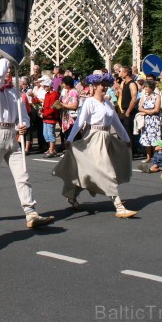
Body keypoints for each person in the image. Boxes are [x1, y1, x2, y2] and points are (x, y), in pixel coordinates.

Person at [0, 58, 55, 228]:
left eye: (12, 68)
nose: (9, 71)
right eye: (7, 68)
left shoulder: (15, 91)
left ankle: (31, 213)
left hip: (12, 134)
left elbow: (22, 114)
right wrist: (8, 54)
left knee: (22, 175)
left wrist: (23, 125)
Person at [52, 72, 137, 218]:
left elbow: (117, 123)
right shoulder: (89, 102)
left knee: (89, 173)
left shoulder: (109, 103)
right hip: (92, 138)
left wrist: (126, 139)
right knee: (106, 171)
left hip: (106, 139)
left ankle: (72, 195)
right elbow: (79, 121)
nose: (104, 87)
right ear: (94, 86)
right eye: (101, 85)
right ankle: (119, 206)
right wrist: (70, 139)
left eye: (106, 85)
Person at [137, 80, 162, 165]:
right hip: (146, 120)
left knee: (154, 138)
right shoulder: (144, 96)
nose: (145, 88)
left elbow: (156, 109)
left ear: (151, 87)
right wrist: (147, 111)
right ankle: (148, 157)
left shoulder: (157, 96)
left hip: (154, 120)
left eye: (147, 87)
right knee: (146, 137)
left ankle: (155, 157)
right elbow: (140, 108)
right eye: (145, 87)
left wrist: (146, 112)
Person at [40, 78, 60, 157]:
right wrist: (41, 111)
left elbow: (53, 107)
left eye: (45, 86)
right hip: (45, 116)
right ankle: (51, 148)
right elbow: (45, 105)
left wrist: (45, 114)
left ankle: (52, 150)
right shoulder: (47, 94)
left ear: (49, 86)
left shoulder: (54, 94)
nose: (44, 87)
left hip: (51, 117)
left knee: (50, 133)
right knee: (45, 134)